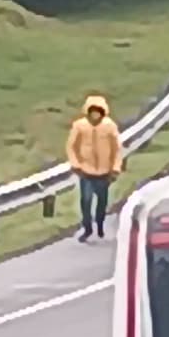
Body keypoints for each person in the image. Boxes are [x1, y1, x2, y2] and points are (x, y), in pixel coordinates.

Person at [64, 95, 122, 241]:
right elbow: (71, 146)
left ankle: (100, 224)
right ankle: (87, 227)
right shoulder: (79, 126)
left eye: (98, 111)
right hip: (86, 171)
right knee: (86, 200)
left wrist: (115, 168)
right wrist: (76, 164)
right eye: (92, 111)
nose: (95, 114)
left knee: (102, 202)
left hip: (104, 172)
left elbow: (116, 149)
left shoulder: (110, 126)